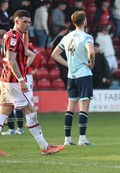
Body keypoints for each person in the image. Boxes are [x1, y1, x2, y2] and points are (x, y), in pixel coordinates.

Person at [0, 10, 64, 156]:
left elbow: (23, 50)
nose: (27, 24)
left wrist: (25, 33)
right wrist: (22, 80)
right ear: (16, 21)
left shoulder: (11, 35)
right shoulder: (14, 37)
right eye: (24, 22)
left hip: (6, 80)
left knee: (4, 113)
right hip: (15, 81)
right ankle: (45, 146)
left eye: (29, 22)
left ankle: (45, 146)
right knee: (30, 111)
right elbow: (11, 59)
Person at [51, 10, 95, 146]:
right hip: (83, 73)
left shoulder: (66, 37)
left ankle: (67, 139)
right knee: (84, 106)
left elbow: (54, 54)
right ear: (85, 21)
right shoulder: (86, 37)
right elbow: (91, 51)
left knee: (70, 106)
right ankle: (82, 138)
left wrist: (68, 65)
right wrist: (91, 64)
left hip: (72, 76)